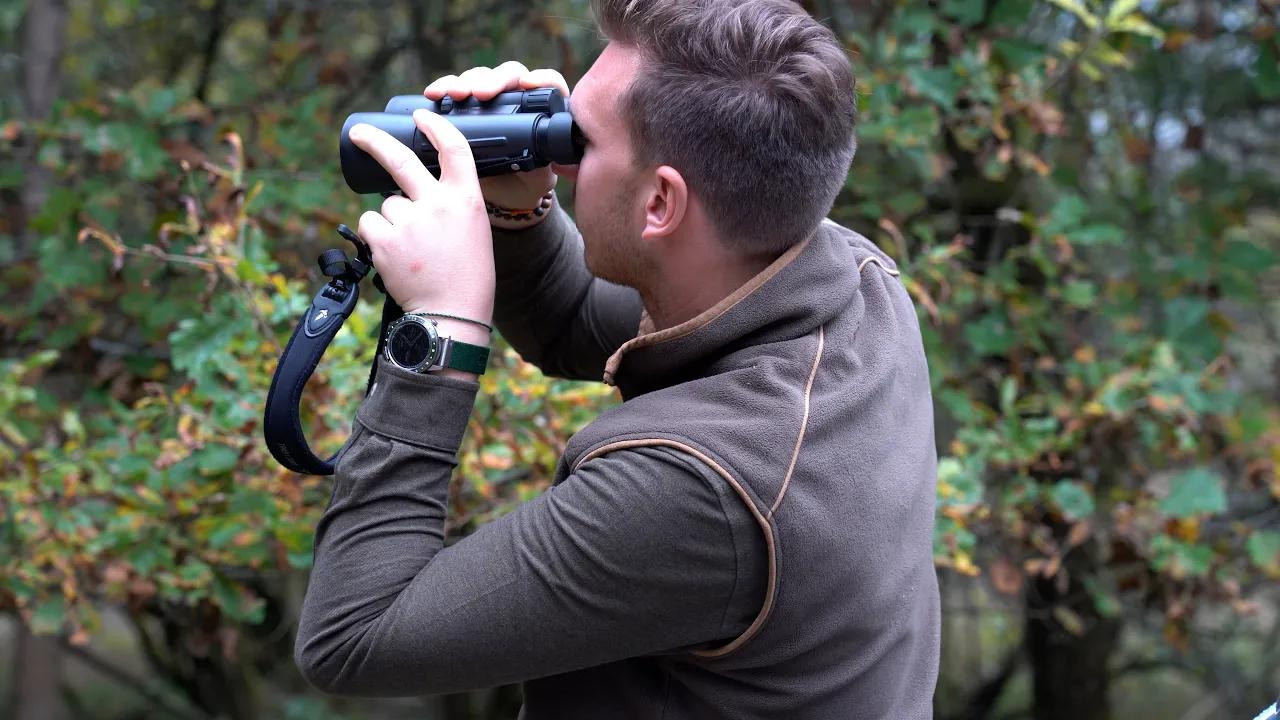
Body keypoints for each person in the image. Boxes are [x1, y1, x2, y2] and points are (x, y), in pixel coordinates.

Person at [293, 0, 940, 717]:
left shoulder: (704, 488)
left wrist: (438, 331)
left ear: (661, 202)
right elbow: (571, 323)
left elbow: (351, 637)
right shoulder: (847, 278)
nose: (561, 160)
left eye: (583, 141)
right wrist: (520, 210)